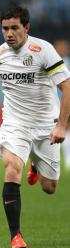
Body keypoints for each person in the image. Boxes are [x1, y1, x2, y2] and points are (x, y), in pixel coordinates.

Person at [0, 6, 70, 248]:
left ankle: (35, 162)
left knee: (49, 187)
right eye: (5, 28)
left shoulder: (43, 50)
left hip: (46, 126)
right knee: (12, 168)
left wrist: (62, 125)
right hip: (15, 124)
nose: (9, 33)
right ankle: (16, 236)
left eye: (14, 28)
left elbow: (66, 87)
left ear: (27, 28)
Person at [53, 39, 70, 170]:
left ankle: (67, 160)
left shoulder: (68, 63)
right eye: (60, 47)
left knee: (65, 128)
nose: (62, 49)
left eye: (64, 47)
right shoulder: (51, 63)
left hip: (66, 101)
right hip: (55, 103)